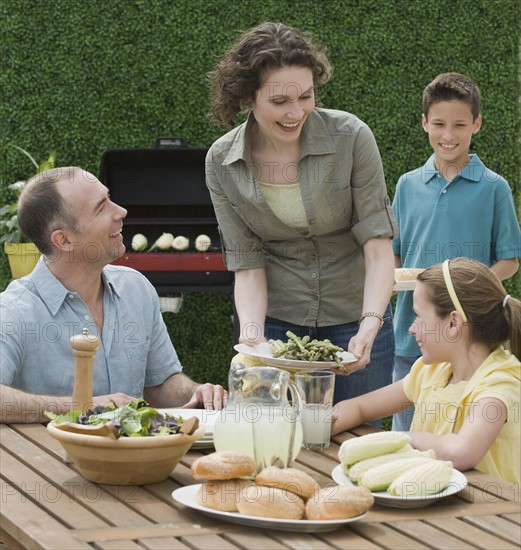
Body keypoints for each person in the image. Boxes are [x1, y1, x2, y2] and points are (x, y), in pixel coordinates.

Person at [205, 22, 398, 406]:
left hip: (357, 319)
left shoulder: (352, 137)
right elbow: (247, 264)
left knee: (355, 441)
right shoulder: (221, 161)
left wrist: (370, 324)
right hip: (277, 325)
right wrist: (253, 334)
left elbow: (378, 247)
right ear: (248, 97)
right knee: (275, 439)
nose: (296, 112)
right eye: (279, 102)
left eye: (306, 97)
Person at [0, 167, 227, 423]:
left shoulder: (136, 288)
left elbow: (160, 383)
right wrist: (84, 406)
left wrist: (196, 393)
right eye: (101, 208)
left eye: (109, 198)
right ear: (63, 240)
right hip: (47, 461)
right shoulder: (14, 311)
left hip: (135, 459)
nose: (121, 211)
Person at [392, 72, 521, 430]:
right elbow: (395, 253)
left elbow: (510, 258)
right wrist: (389, 278)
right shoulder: (407, 185)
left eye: (459, 125)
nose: (448, 135)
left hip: (470, 339)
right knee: (406, 434)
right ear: (424, 123)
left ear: (476, 124)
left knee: (463, 439)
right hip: (411, 335)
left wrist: (469, 289)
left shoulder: (494, 187)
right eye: (439, 124)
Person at [333, 258, 521, 484]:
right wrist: (315, 425)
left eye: (419, 316)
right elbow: (360, 408)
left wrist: (395, 440)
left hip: (490, 515)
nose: (411, 328)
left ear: (453, 324)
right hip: (430, 508)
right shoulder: (431, 372)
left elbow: (461, 451)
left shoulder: (499, 383)